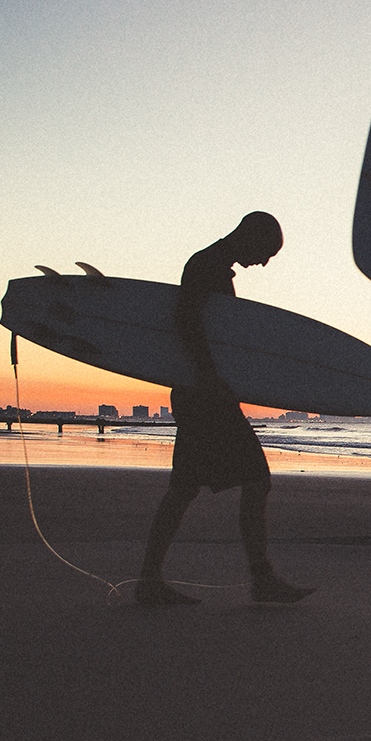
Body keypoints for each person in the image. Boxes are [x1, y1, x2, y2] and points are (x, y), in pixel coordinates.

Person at [134, 212, 314, 606]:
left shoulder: (213, 266)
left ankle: (150, 579)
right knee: (256, 480)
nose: (265, 263)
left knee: (183, 488)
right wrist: (211, 376)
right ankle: (261, 579)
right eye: (267, 252)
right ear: (250, 236)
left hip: (197, 391)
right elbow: (187, 322)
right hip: (205, 395)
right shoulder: (207, 266)